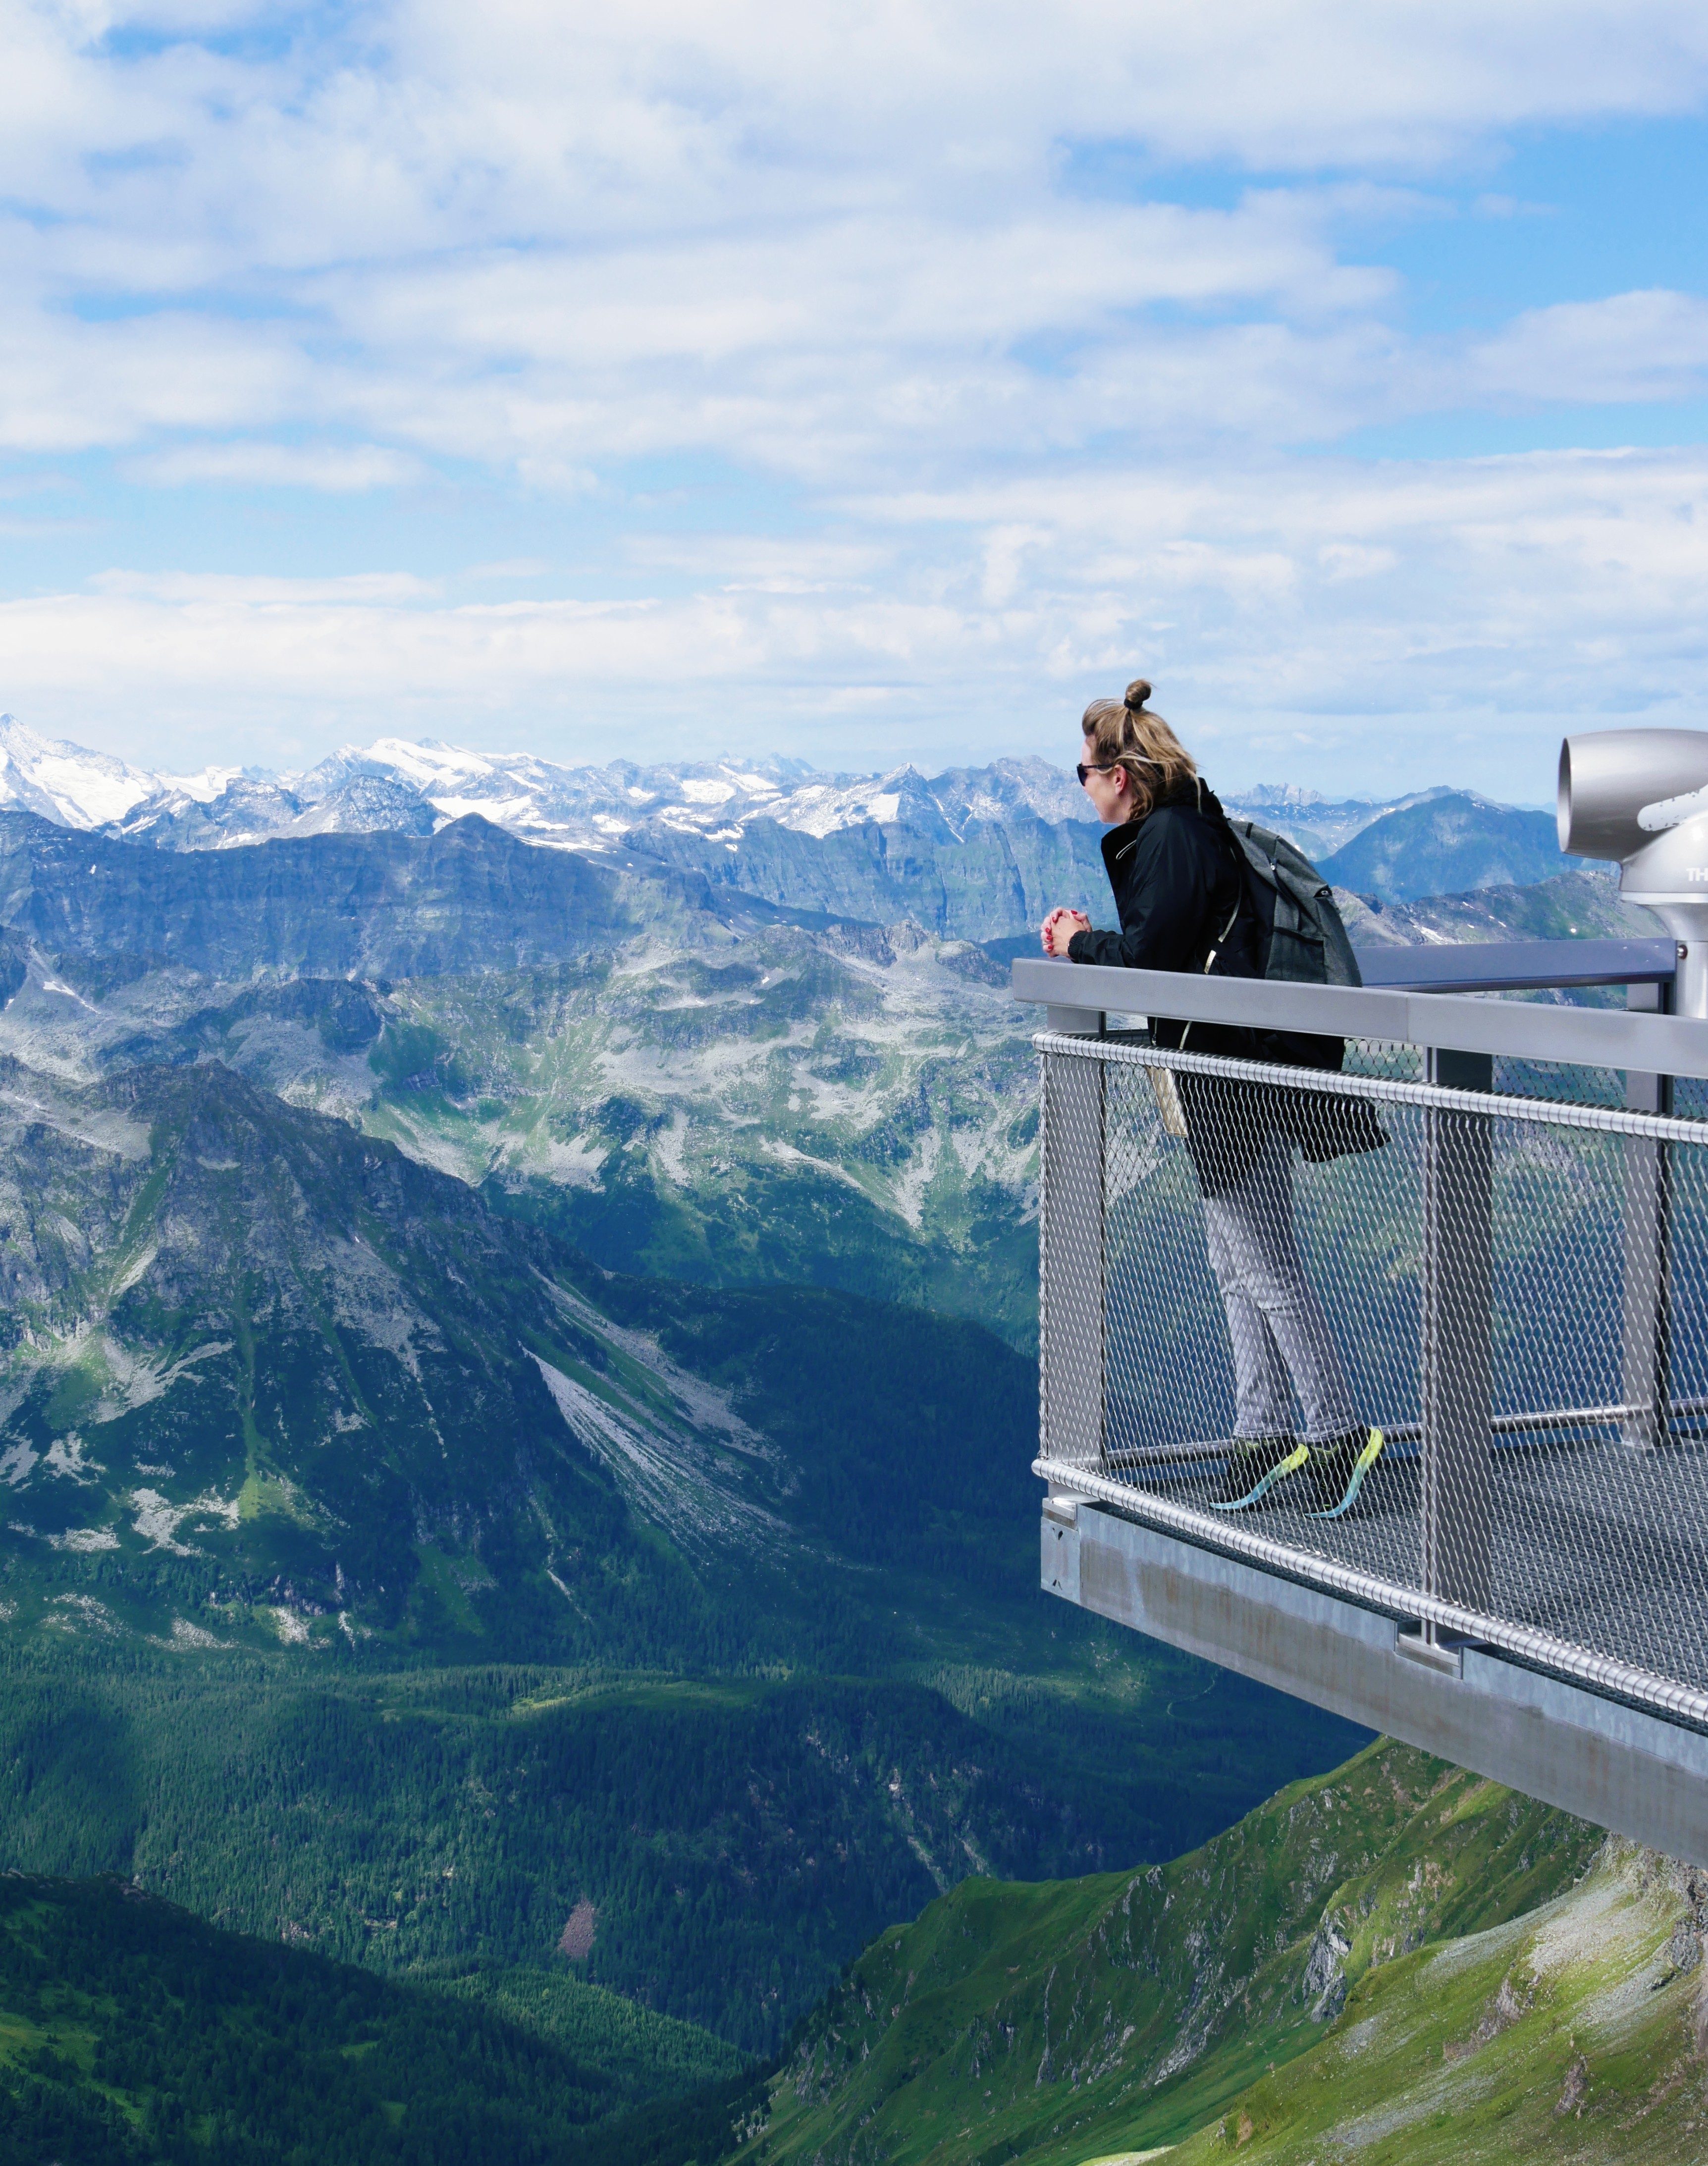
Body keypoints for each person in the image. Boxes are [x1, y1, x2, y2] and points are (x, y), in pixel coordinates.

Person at [1041, 678, 1382, 1520]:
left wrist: (1079, 943)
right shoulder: (1185, 826)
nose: (1081, 787)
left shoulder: (1169, 838)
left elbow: (1156, 958)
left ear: (1121, 774)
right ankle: (1261, 1431)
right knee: (1237, 1260)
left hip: (1226, 1072)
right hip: (1225, 1067)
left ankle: (1338, 1432)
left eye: (1084, 773)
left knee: (1261, 1261)